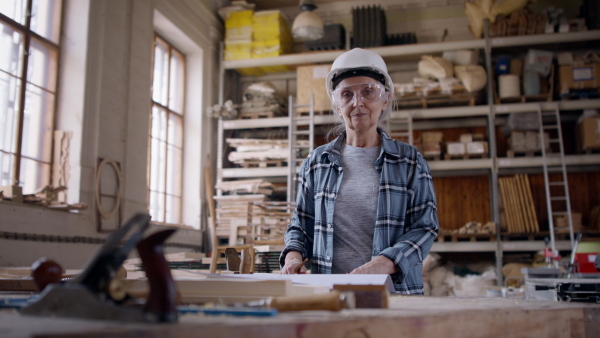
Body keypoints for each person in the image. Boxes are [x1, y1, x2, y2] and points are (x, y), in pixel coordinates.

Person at [279, 48, 439, 294]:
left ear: (385, 99)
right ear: (337, 104)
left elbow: (425, 227)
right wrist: (292, 256)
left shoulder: (410, 162)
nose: (357, 102)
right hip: (329, 294)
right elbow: (300, 224)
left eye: (368, 91)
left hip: (394, 293)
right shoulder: (317, 162)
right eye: (346, 94)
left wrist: (383, 264)